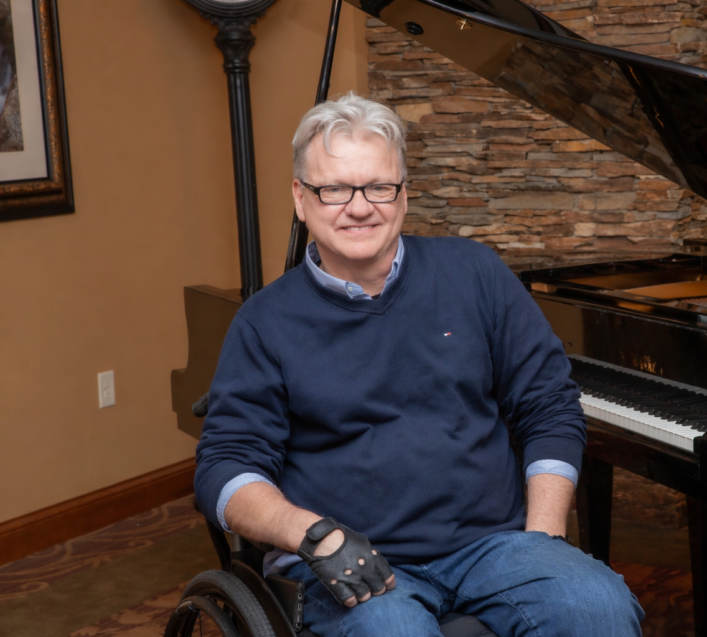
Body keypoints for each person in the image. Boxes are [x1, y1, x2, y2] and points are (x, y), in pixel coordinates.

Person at [194, 92, 644, 637]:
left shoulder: (475, 274)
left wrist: (542, 538)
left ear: (404, 194)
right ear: (301, 198)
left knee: (596, 605)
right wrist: (314, 536)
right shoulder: (264, 322)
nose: (359, 207)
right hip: (352, 564)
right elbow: (224, 468)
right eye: (334, 189)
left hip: (493, 546)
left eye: (379, 186)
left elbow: (549, 405)